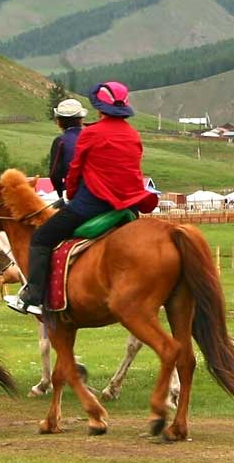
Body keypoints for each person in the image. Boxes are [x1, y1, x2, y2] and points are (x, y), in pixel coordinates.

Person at [8, 81, 145, 315]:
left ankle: (34, 297)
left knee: (41, 237)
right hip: (128, 205)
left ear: (100, 108)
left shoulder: (90, 134)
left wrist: (70, 195)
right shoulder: (133, 135)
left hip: (91, 205)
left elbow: (73, 173)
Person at [47, 98, 87, 202]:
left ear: (59, 122)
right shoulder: (92, 137)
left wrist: (61, 194)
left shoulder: (60, 141)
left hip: (73, 194)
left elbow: (55, 175)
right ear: (81, 120)